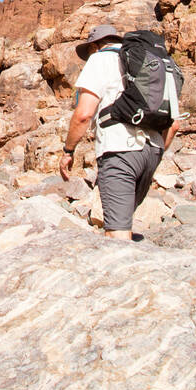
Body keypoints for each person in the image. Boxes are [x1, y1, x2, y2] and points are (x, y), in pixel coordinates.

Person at [61, 25, 181, 241]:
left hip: (119, 152)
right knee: (124, 222)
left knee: (117, 236)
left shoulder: (99, 60)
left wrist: (68, 151)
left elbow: (83, 115)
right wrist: (157, 152)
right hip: (153, 151)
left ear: (95, 46)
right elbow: (174, 125)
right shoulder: (152, 62)